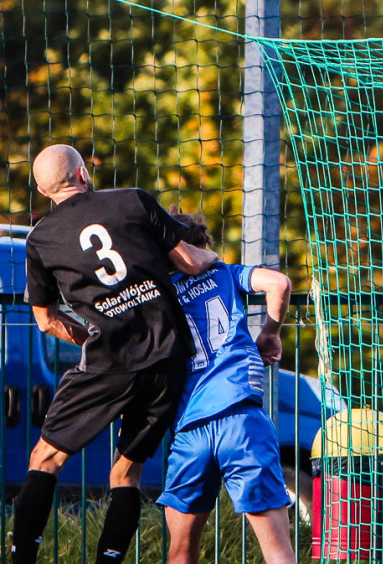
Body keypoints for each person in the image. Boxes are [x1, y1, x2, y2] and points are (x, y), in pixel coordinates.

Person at [13, 145, 218, 564]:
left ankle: (21, 558)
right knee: (127, 471)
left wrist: (90, 336)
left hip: (109, 361)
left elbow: (47, 321)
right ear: (84, 173)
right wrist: (218, 259)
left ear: (41, 190)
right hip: (167, 358)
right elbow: (193, 263)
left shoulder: (41, 239)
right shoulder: (133, 200)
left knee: (45, 457)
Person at [157, 211, 296, 564]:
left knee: (180, 551)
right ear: (203, 247)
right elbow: (279, 284)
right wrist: (269, 333)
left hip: (190, 428)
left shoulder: (159, 291)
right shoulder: (224, 273)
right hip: (242, 419)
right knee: (277, 550)